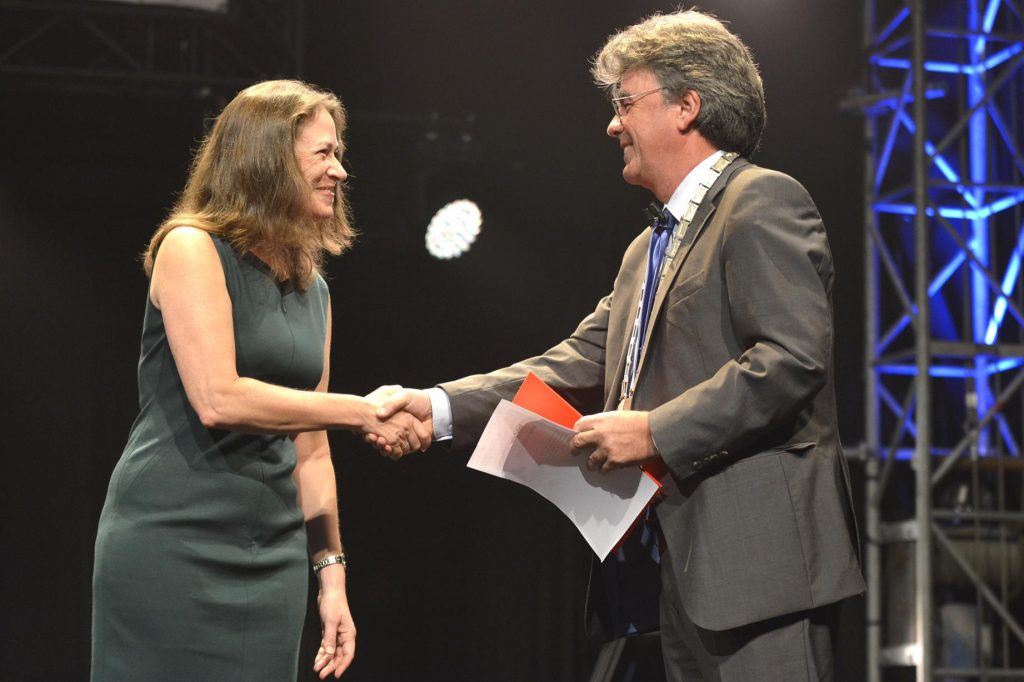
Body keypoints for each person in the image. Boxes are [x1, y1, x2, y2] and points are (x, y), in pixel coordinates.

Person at [371, 10, 865, 681]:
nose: (612, 125)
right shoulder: (645, 251)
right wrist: (437, 407)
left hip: (763, 568)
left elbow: (790, 361)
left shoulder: (762, 199)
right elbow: (576, 362)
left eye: (626, 103)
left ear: (687, 106)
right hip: (679, 574)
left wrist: (655, 432)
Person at [91, 79, 430, 681]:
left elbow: (311, 447)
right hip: (171, 539)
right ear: (267, 159)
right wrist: (363, 410)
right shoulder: (191, 248)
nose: (340, 171)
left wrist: (331, 576)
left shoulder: (313, 288)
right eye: (324, 153)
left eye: (339, 153)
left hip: (272, 554)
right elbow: (218, 398)